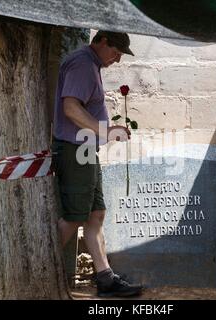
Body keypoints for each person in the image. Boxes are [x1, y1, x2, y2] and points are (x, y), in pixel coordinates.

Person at [52, 30, 143, 297]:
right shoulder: (82, 64)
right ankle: (37, 268)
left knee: (95, 214)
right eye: (115, 52)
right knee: (73, 217)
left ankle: (105, 278)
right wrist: (105, 131)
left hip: (84, 149)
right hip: (74, 148)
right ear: (102, 41)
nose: (117, 60)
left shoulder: (89, 63)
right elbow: (70, 107)